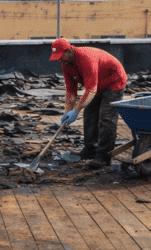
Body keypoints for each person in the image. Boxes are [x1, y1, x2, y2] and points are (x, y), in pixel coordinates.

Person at [50, 38, 128, 169]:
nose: (59, 60)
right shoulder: (66, 64)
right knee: (90, 114)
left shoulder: (86, 58)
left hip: (114, 81)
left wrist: (76, 110)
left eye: (60, 56)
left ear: (69, 51)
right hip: (98, 84)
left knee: (106, 118)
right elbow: (71, 91)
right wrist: (67, 112)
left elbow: (91, 89)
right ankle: (90, 149)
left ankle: (104, 156)